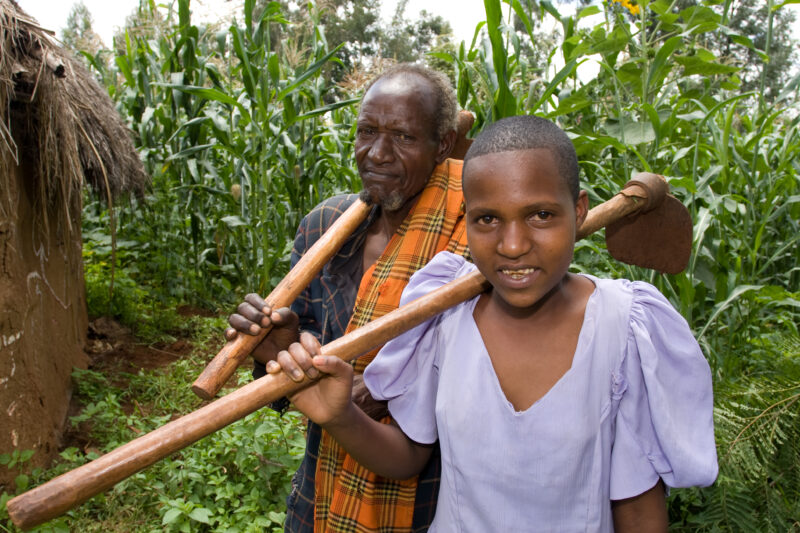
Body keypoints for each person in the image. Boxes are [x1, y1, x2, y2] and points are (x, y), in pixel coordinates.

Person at [267, 115, 719, 532]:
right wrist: (340, 415)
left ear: (578, 211)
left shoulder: (624, 326)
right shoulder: (441, 313)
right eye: (488, 219)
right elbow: (407, 457)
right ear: (469, 221)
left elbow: (637, 504)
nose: (513, 244)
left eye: (540, 214)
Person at [226, 64, 470, 532]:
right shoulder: (324, 228)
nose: (376, 154)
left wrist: (379, 389)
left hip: (432, 496)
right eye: (366, 131)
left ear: (442, 146)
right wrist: (278, 348)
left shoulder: (473, 231)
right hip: (321, 485)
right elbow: (294, 374)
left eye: (402, 136)